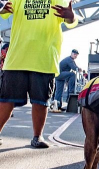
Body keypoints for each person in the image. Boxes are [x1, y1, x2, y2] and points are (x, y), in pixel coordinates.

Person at [0, 0, 78, 148]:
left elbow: (70, 20)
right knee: (6, 100)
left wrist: (71, 16)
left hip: (44, 59)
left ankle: (37, 136)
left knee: (41, 101)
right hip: (17, 58)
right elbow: (4, 11)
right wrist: (2, 9)